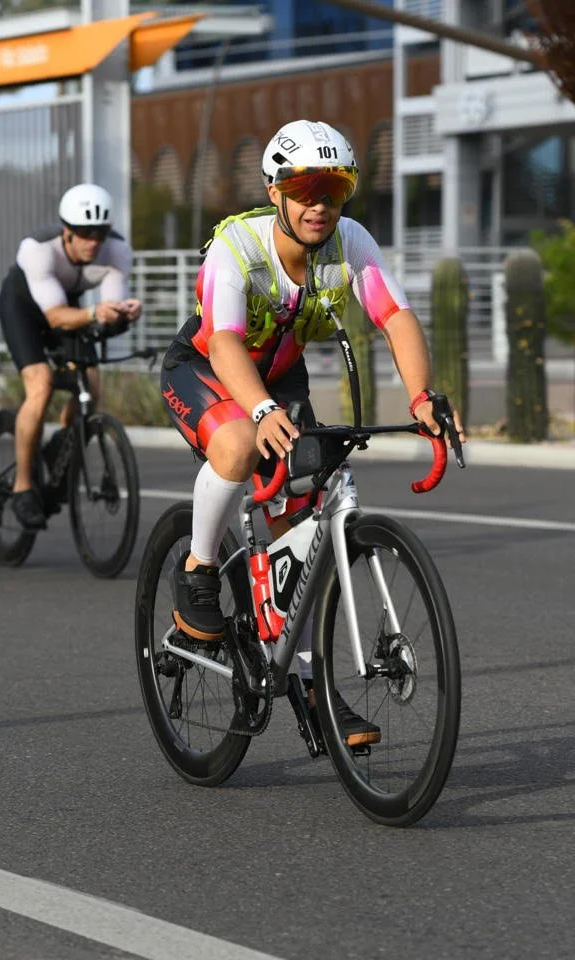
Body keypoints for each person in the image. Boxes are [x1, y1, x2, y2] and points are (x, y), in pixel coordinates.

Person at [160, 119, 465, 746]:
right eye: (303, 189)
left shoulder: (349, 241)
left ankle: (308, 686)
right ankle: (198, 567)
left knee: (301, 521)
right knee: (242, 447)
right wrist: (262, 410)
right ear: (275, 191)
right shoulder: (237, 247)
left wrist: (422, 397)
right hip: (209, 369)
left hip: (280, 372)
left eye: (333, 188)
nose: (319, 204)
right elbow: (222, 341)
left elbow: (395, 315)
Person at [0, 182, 142, 531]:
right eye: (85, 233)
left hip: (69, 307)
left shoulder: (117, 251)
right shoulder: (38, 250)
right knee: (41, 384)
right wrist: (96, 314)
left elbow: (106, 312)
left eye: (100, 233)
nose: (94, 241)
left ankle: (62, 444)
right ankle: (22, 486)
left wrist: (123, 314)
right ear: (67, 232)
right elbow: (55, 317)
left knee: (91, 383)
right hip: (25, 309)